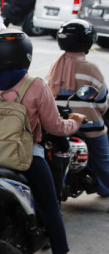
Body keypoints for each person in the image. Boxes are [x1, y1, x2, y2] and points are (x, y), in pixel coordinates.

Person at [0, 31, 85, 254]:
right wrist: (74, 123)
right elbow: (55, 127)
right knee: (51, 205)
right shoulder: (35, 85)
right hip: (26, 158)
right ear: (27, 56)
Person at [46, 19, 109, 197]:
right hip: (88, 127)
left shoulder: (54, 67)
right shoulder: (91, 69)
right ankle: (105, 187)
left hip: (60, 124)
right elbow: (102, 102)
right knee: (103, 158)